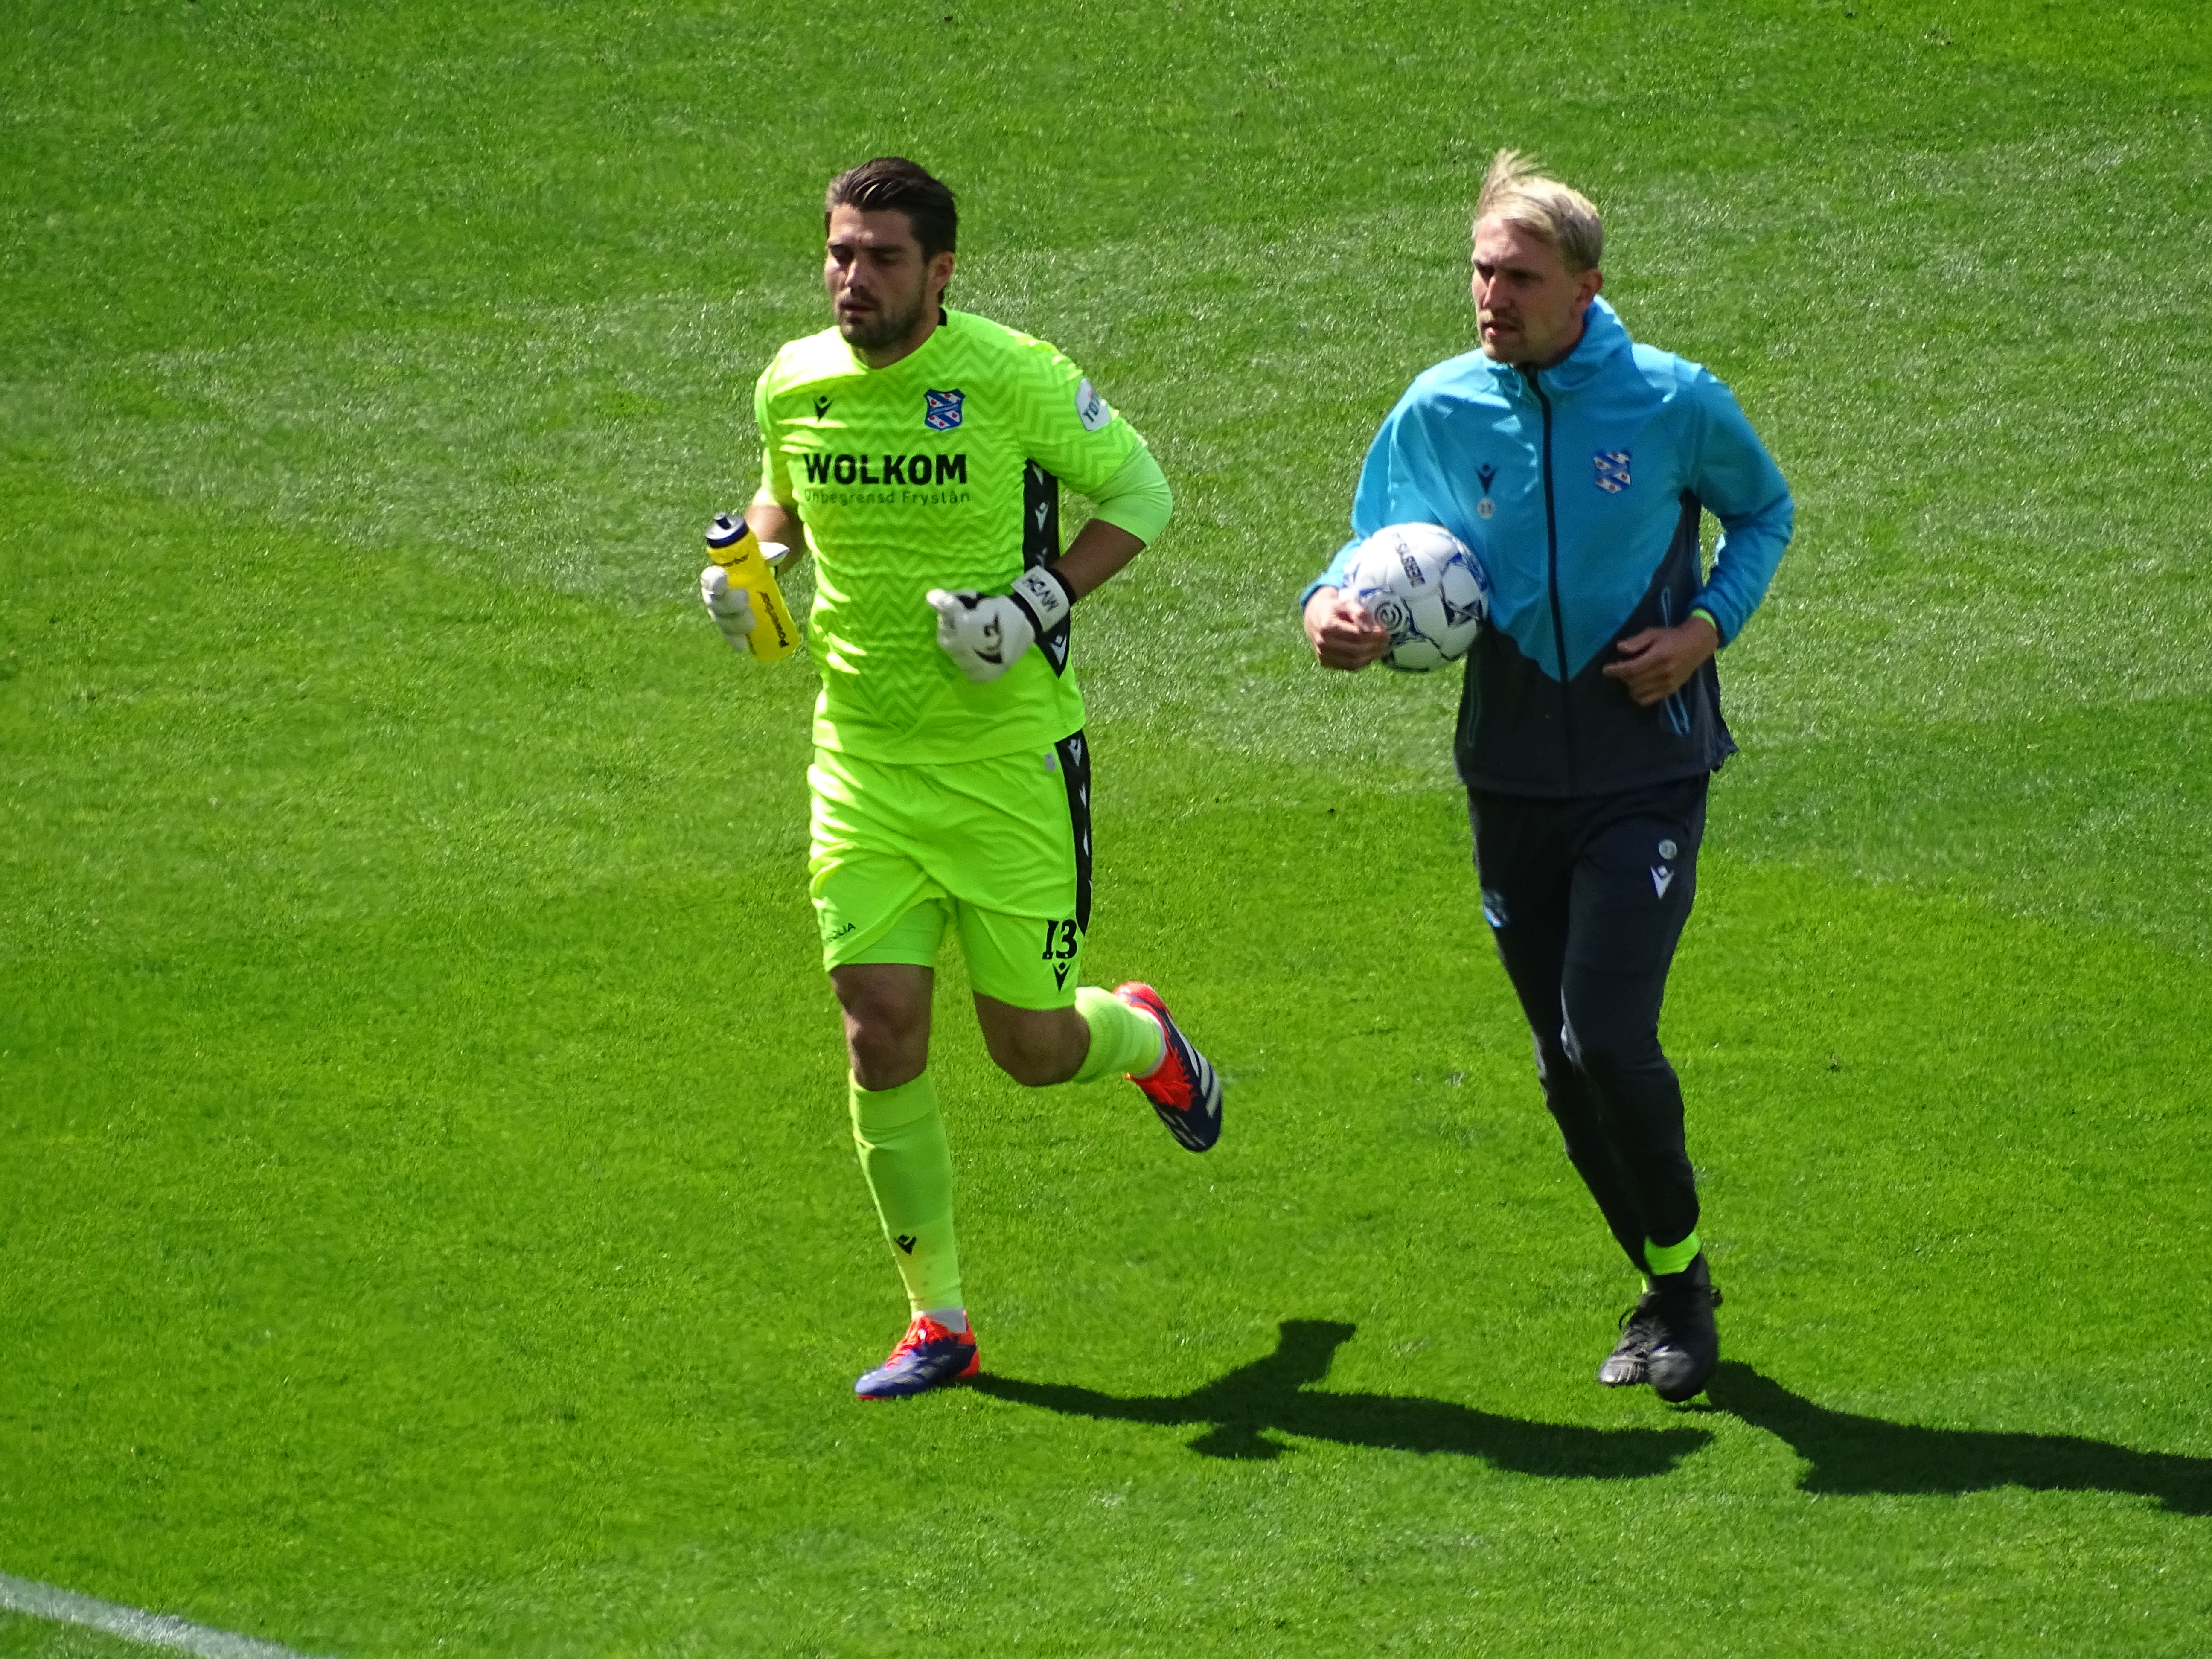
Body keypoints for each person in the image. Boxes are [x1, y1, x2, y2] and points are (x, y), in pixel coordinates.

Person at [706, 157, 1222, 1402]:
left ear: (940, 273)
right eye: (839, 253)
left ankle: (1143, 1035)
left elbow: (1143, 493)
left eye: (882, 258)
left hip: (1008, 772)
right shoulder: (794, 383)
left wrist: (1031, 605)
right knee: (878, 1030)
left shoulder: (1012, 377)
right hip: (863, 767)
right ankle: (937, 1321)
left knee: (1033, 1052)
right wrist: (742, 569)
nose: (853, 278)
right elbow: (781, 509)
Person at [1301, 151, 1793, 1403]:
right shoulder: (1441, 407)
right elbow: (1362, 545)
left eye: (1518, 276)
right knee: (1557, 1062)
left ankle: (1679, 1298)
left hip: (1646, 764)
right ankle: (1673, 1276)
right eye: (1480, 272)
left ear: (1587, 285)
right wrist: (1330, 617)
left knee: (1606, 1031)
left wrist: (1705, 632)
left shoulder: (1674, 402)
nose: (1491, 296)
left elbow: (1765, 513)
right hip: (1511, 774)